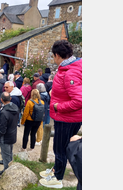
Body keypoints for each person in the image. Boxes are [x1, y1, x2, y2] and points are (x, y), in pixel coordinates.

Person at [39, 40, 82, 189]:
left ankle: (57, 179)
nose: (53, 58)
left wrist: (58, 106)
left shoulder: (70, 72)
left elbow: (79, 100)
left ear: (57, 55)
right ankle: (56, 170)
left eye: (53, 56)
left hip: (67, 118)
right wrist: (54, 93)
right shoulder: (70, 67)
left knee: (60, 149)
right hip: (67, 117)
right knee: (60, 147)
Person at [0, 92, 19, 181]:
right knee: (9, 153)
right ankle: (7, 168)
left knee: (6, 157)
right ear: (10, 99)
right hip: (13, 134)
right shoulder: (15, 108)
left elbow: (2, 129)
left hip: (5, 137)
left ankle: (6, 176)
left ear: (1, 99)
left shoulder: (4, 112)